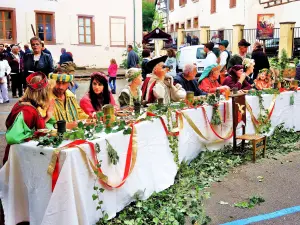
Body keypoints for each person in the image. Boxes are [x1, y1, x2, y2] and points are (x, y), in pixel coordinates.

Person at [4, 72, 53, 164]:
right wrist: (37, 134)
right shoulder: (27, 111)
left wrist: (47, 117)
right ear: (43, 93)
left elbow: (32, 127)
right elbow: (13, 137)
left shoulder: (29, 106)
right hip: (20, 158)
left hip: (25, 155)